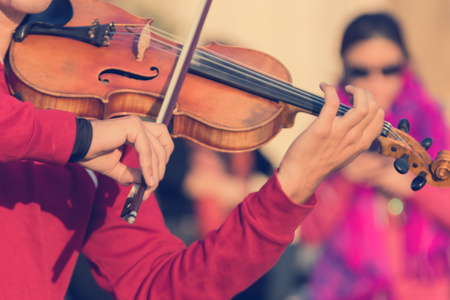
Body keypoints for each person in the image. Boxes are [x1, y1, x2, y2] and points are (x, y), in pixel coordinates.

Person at [0, 1, 385, 299]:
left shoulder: (82, 98)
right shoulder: (82, 131)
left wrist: (291, 187)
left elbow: (159, 284)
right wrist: (78, 138)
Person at [297, 12, 450, 300]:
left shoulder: (434, 124)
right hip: (347, 290)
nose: (376, 81)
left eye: (389, 69)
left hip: (426, 290)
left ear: (405, 66)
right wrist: (342, 179)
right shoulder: (328, 129)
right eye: (362, 71)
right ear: (345, 71)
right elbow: (310, 233)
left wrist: (412, 187)